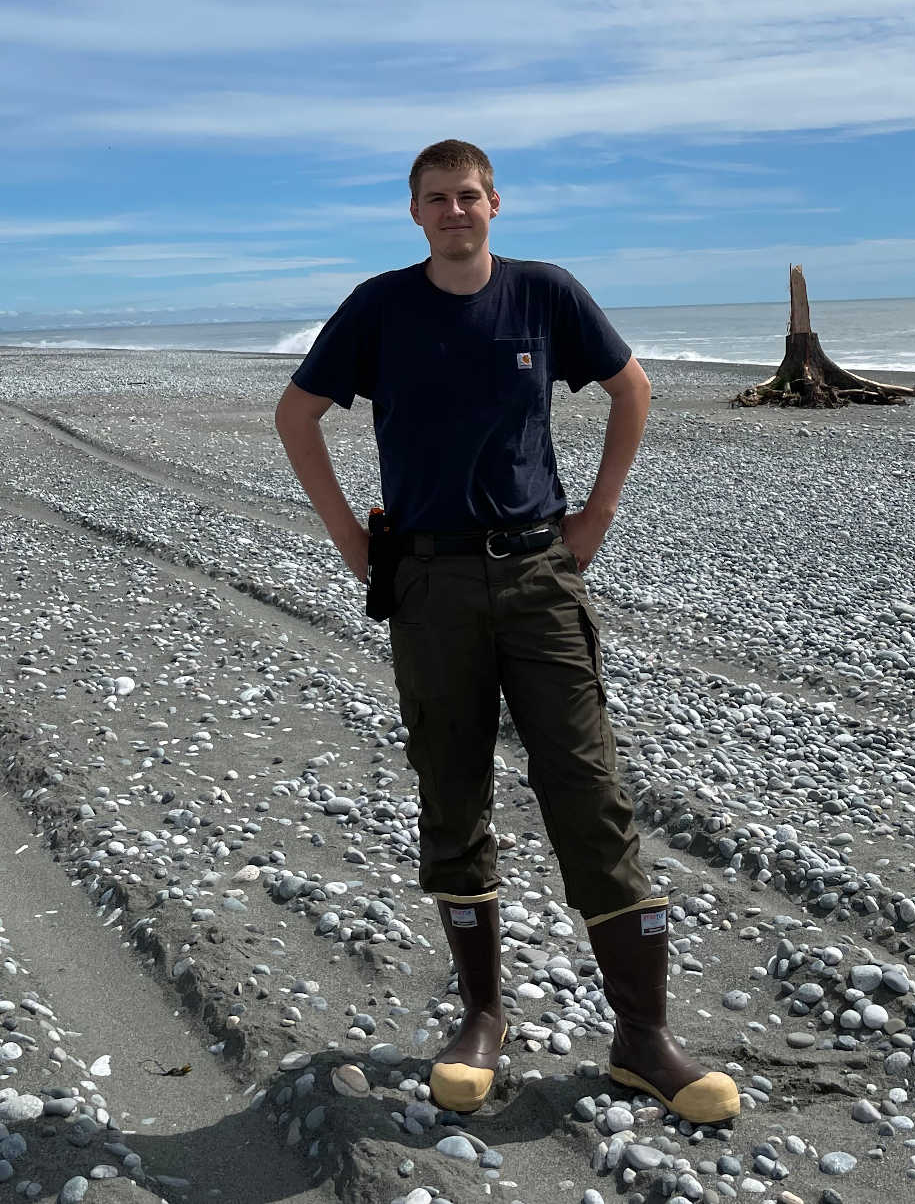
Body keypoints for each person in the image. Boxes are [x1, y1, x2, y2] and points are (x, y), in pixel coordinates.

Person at [274, 139, 739, 1124]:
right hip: (430, 581)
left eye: (469, 197)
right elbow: (296, 414)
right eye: (436, 199)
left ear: (496, 204)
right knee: (451, 787)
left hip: (537, 574)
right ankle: (480, 1017)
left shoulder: (544, 294)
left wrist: (598, 515)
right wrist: (351, 540)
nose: (455, 211)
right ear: (414, 213)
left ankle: (642, 1038)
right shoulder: (379, 306)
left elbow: (632, 388)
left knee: (587, 785)